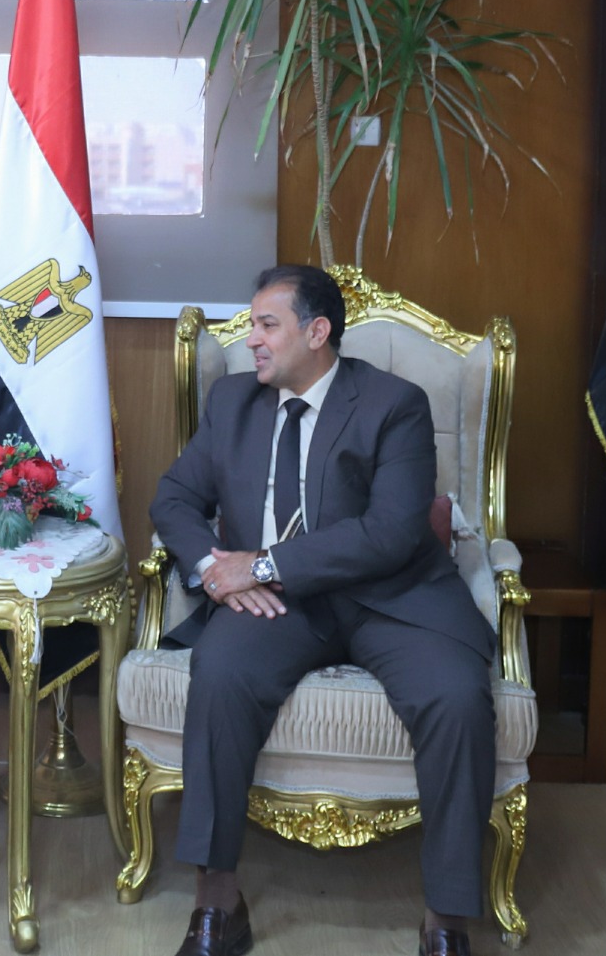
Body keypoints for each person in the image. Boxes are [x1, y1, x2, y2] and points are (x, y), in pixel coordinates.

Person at [151, 265, 497, 956]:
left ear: (317, 332)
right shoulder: (231, 402)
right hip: (277, 605)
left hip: (392, 597)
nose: (251, 339)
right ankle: (217, 904)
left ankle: (446, 920)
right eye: (251, 324)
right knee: (220, 672)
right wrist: (216, 572)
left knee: (458, 697)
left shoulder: (394, 404)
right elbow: (173, 498)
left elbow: (391, 532)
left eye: (267, 324)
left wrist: (263, 564)